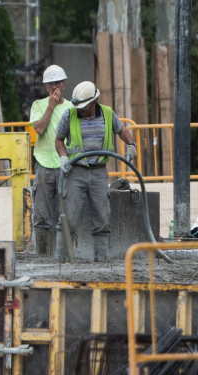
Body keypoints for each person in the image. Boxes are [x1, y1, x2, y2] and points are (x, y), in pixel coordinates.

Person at [54, 81, 137, 262]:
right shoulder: (70, 115)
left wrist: (131, 145)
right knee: (69, 216)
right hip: (76, 172)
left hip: (99, 172)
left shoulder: (108, 114)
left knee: (102, 215)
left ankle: (102, 260)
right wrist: (63, 157)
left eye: (84, 107)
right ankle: (62, 260)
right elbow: (59, 139)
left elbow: (122, 130)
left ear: (94, 101)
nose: (81, 110)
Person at [28, 64, 73, 257]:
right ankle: (42, 255)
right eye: (49, 84)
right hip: (44, 164)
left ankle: (62, 255)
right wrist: (50, 107)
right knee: (42, 214)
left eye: (56, 83)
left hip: (65, 164)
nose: (53, 87)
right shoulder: (38, 105)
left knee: (63, 213)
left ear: (63, 84)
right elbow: (39, 129)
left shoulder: (71, 107)